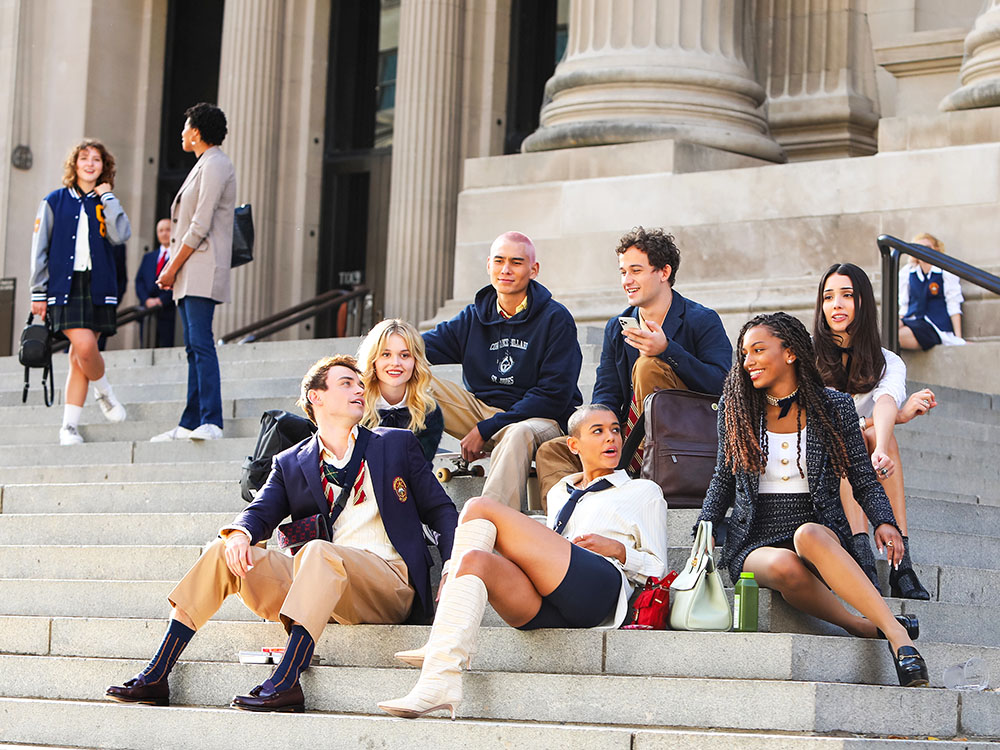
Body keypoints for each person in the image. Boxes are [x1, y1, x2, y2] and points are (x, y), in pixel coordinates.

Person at [105, 355, 459, 713]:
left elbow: (441, 510)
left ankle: (287, 681)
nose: (359, 389)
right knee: (222, 548)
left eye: (359, 383)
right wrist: (241, 532)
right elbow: (259, 511)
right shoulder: (291, 461)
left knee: (319, 552)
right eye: (346, 383)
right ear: (315, 398)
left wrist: (451, 569)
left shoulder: (395, 444)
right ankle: (157, 674)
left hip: (387, 583)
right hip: (320, 584)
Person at [378, 403, 668, 719]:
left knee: (478, 506)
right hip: (556, 596)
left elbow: (659, 569)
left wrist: (617, 548)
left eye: (615, 430)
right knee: (476, 561)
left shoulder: (643, 491)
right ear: (574, 445)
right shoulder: (560, 491)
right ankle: (441, 678)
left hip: (602, 590)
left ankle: (438, 641)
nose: (611, 438)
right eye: (597, 431)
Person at [698, 312, 928, 688]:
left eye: (758, 350)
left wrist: (886, 522)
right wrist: (706, 525)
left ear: (790, 352)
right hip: (755, 539)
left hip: (817, 534)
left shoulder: (834, 407)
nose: (748, 361)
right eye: (744, 354)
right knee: (786, 565)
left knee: (809, 535)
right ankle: (869, 627)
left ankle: (897, 639)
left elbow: (862, 477)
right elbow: (723, 477)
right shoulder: (735, 407)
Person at [535, 226, 732, 499]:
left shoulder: (701, 320)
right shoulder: (618, 327)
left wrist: (667, 350)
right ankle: (575, 514)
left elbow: (723, 384)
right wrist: (599, 432)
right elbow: (607, 393)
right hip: (626, 442)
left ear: (664, 272)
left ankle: (628, 475)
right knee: (552, 451)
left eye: (636, 271)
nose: (627, 280)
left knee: (648, 365)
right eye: (623, 272)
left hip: (682, 442)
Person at [422, 230, 583, 510]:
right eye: (499, 261)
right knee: (407, 372)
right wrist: (378, 352)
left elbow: (553, 395)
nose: (505, 270)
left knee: (517, 432)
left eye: (516, 262)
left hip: (540, 420)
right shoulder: (473, 317)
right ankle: (401, 476)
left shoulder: (556, 319)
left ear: (533, 270)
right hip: (484, 412)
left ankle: (494, 520)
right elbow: (417, 348)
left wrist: (489, 428)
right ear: (488, 265)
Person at [814, 263, 932, 600]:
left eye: (847, 295)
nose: (836, 304)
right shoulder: (807, 355)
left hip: (858, 459)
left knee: (879, 440)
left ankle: (901, 562)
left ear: (863, 302)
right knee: (856, 439)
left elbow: (884, 402)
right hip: (816, 463)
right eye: (828, 297)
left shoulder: (887, 361)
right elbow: (825, 424)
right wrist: (900, 417)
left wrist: (882, 439)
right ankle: (862, 556)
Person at [29, 138, 132, 445]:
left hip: (99, 286)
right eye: (84, 158)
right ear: (74, 165)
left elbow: (121, 234)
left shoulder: (106, 200)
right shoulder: (54, 200)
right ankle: (105, 392)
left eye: (96, 159)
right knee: (85, 348)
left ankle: (69, 427)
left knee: (78, 358)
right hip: (64, 286)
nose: (90, 164)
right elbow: (39, 249)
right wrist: (38, 291)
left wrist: (108, 197)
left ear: (104, 167)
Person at [151, 102, 236, 442]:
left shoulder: (215, 164)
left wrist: (171, 265)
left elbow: (200, 224)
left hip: (201, 267)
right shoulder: (204, 164)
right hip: (192, 269)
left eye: (185, 127)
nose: (182, 133)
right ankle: (189, 421)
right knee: (192, 347)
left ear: (197, 133)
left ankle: (211, 420)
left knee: (201, 345)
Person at [357, 318, 444, 462]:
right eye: (386, 354)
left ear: (416, 361)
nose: (395, 363)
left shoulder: (429, 412)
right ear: (373, 359)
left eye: (405, 355)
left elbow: (420, 472)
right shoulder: (354, 405)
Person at [898, 233, 966, 351]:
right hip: (912, 321)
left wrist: (958, 338)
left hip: (934, 327)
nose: (922, 251)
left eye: (927, 247)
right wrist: (900, 321)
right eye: (918, 248)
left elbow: (953, 303)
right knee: (887, 329)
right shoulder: (908, 272)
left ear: (936, 249)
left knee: (893, 335)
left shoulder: (944, 271)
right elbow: (904, 305)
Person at [135, 218, 177, 348]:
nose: (164, 233)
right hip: (147, 310)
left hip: (167, 310)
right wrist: (146, 299)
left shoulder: (177, 256)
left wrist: (161, 300)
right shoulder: (149, 257)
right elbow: (139, 281)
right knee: (145, 345)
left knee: (165, 345)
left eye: (168, 230)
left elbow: (178, 282)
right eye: (160, 230)